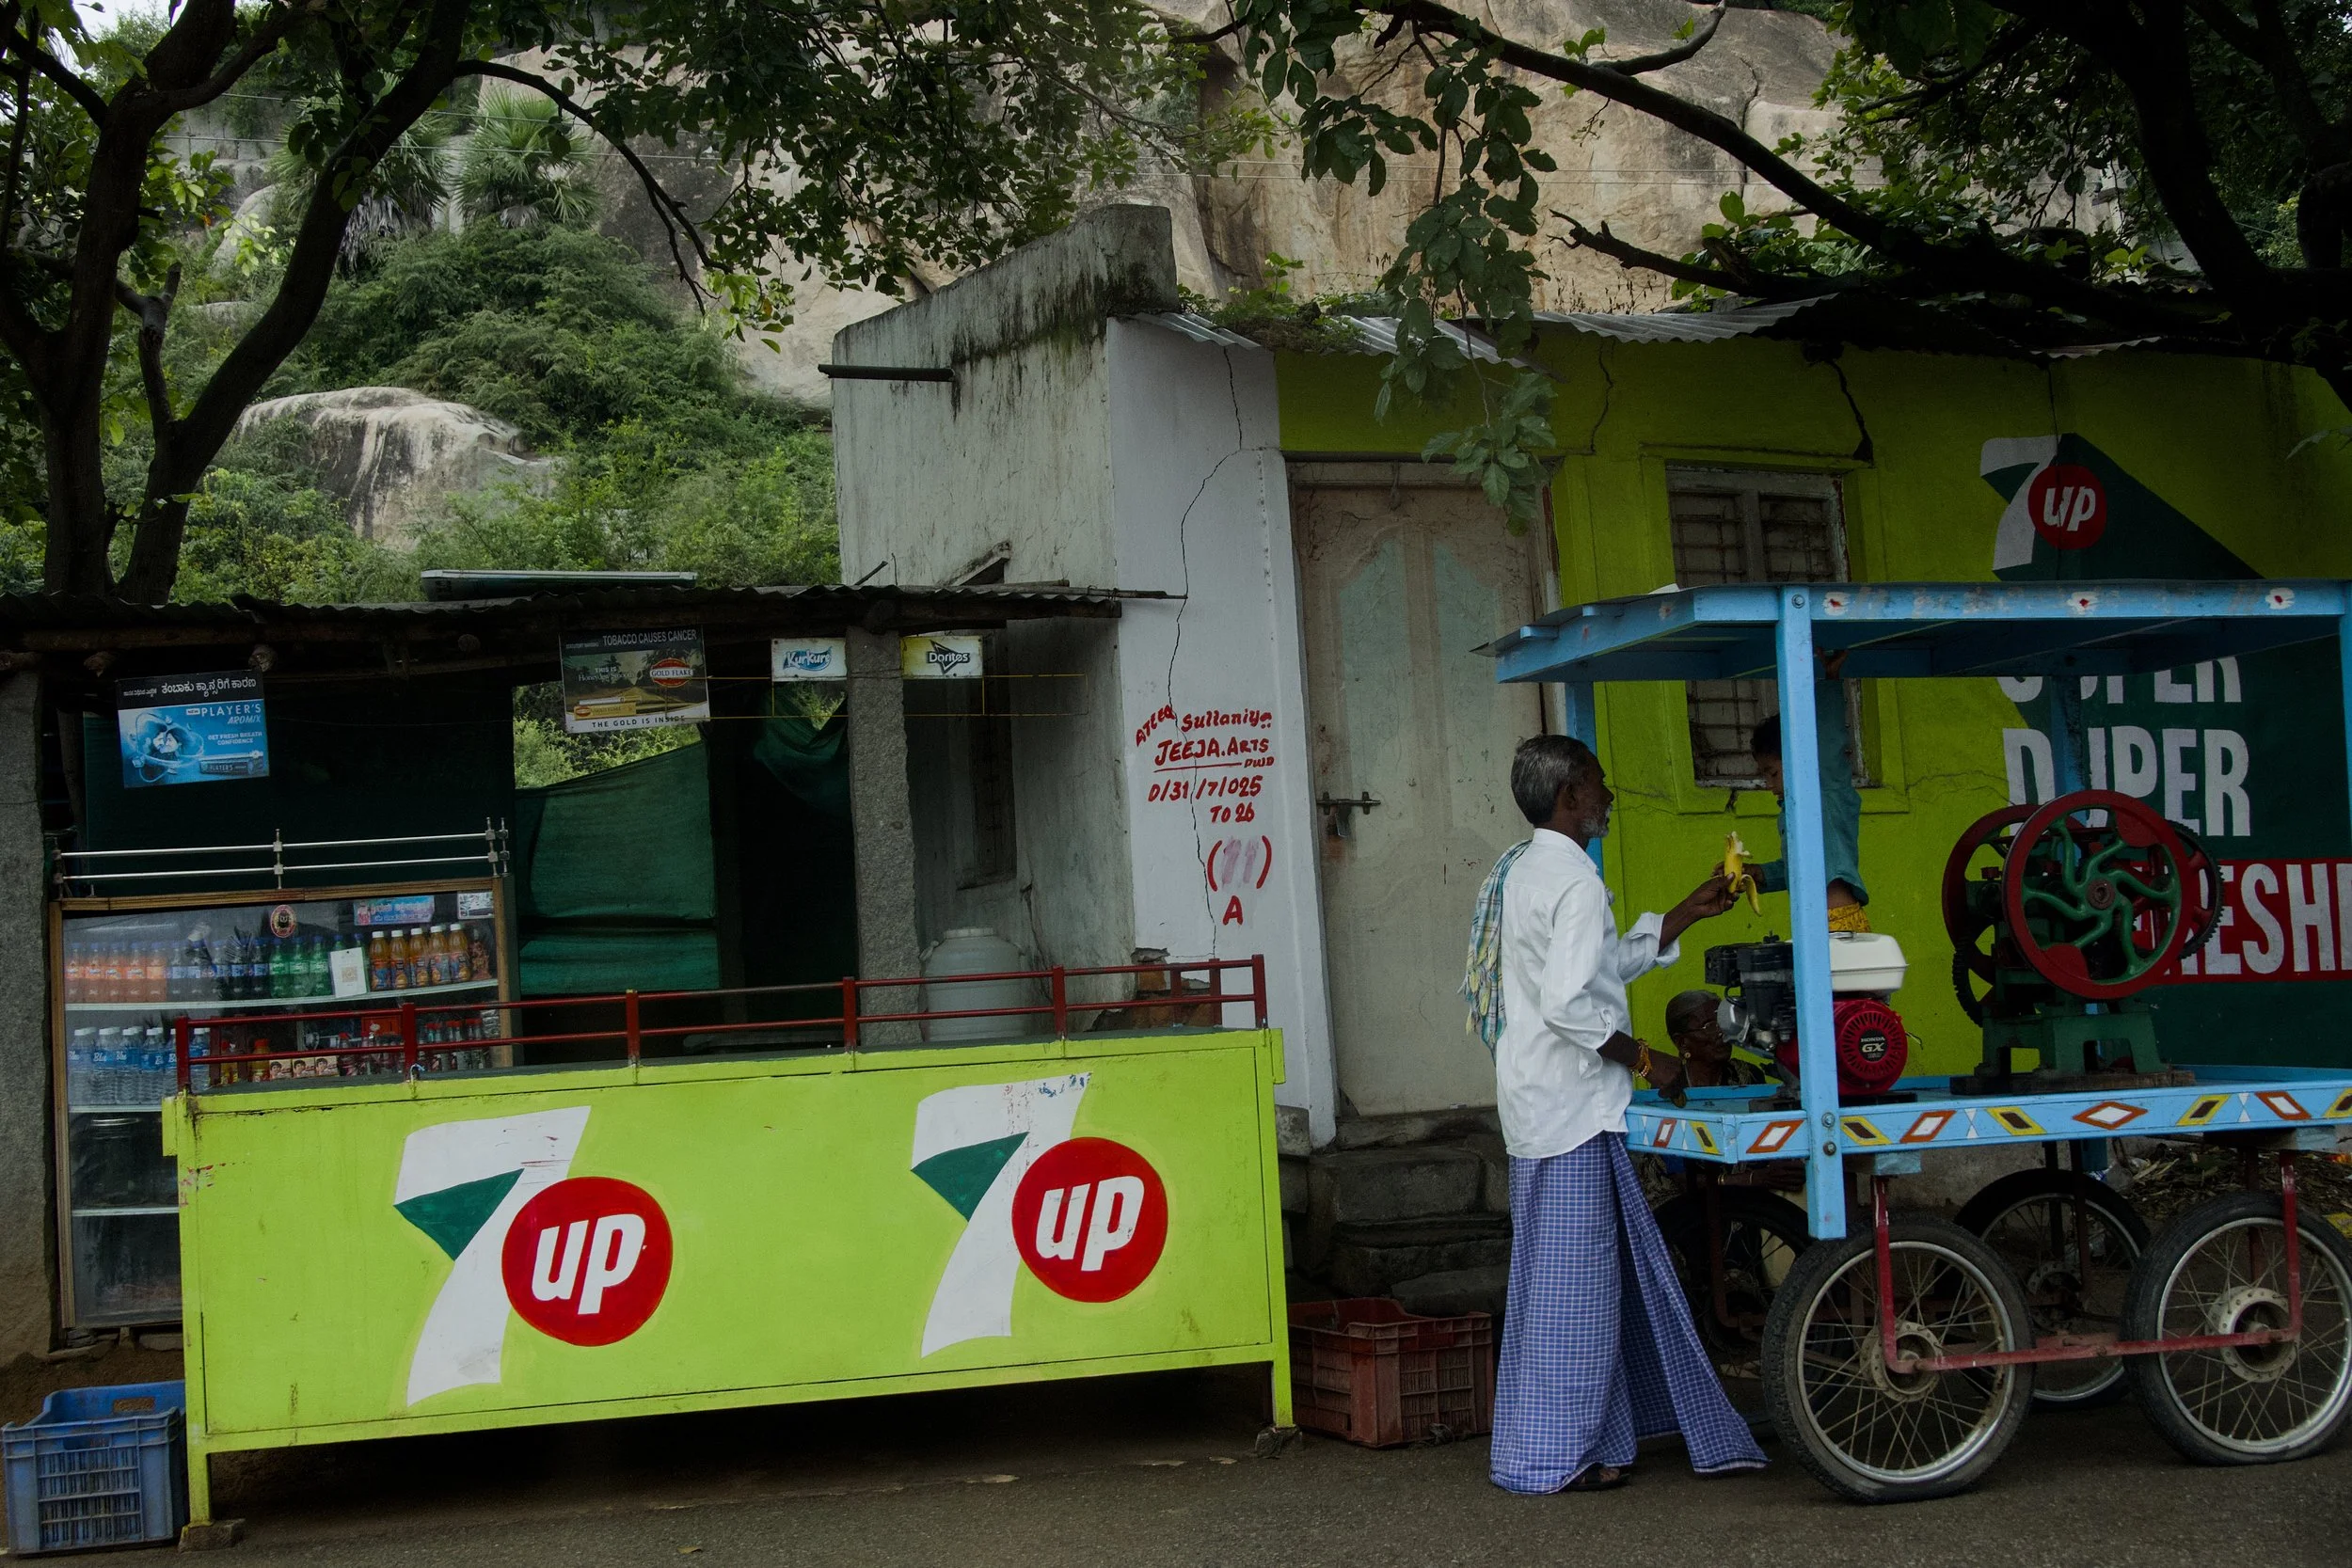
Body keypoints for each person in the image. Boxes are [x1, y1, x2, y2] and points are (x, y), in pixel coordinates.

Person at [1461, 735, 1766, 1494]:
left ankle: (1599, 1439)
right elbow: (1571, 1003)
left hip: (1550, 1103)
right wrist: (1645, 1059)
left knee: (1579, 1285)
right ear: (1568, 797)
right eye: (1597, 785)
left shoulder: (1528, 868)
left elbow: (1595, 970)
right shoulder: (1571, 883)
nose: (1609, 797)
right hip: (1567, 1108)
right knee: (1573, 1293)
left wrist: (1685, 914)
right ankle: (1554, 1453)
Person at [1747, 655, 1869, 931]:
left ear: (1799, 759)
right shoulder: (1791, 812)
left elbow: (1828, 739)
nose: (1769, 784)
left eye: (1773, 773)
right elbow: (1802, 870)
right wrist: (1760, 874)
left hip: (1839, 923)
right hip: (1812, 926)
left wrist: (1830, 679)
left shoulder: (1824, 789)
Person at [1663, 990, 1770, 1090]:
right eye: (1710, 1026)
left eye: (1723, 1023)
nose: (1722, 1032)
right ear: (1682, 1043)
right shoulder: (1669, 1086)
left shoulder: (1750, 1076)